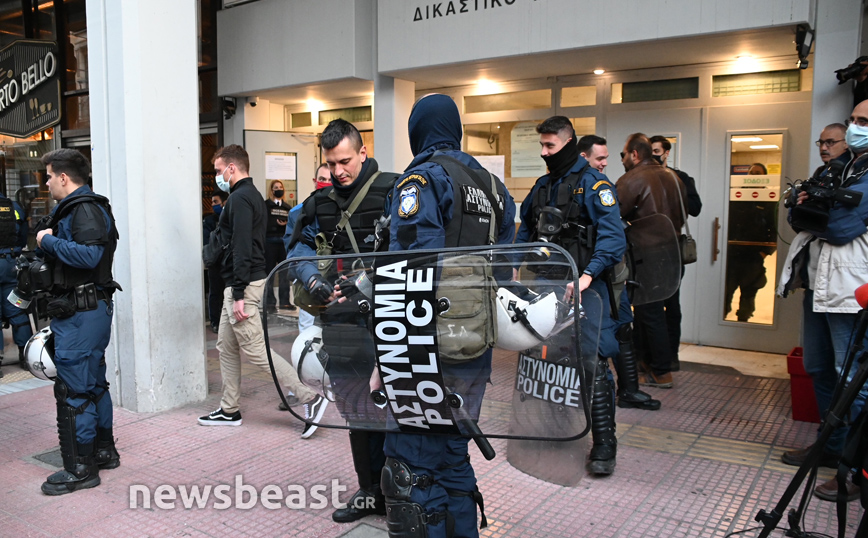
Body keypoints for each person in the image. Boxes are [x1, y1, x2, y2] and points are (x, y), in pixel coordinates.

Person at [379, 93, 515, 538]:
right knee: (453, 456)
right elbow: (503, 269)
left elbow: (410, 273)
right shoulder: (494, 188)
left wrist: (389, 359)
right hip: (475, 347)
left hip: (423, 350)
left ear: (418, 130)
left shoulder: (422, 180)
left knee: (410, 470)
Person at [517, 117, 659, 478]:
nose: (544, 153)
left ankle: (604, 445)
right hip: (547, 289)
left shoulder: (594, 185)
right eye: (542, 146)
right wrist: (514, 266)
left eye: (550, 146)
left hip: (587, 290)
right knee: (548, 361)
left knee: (592, 366)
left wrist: (587, 275)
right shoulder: (543, 186)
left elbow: (613, 239)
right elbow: (526, 229)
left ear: (568, 143)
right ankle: (557, 433)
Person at [285, 119, 398, 522]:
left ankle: (399, 495)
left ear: (362, 153)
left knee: (397, 409)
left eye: (345, 161)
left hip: (393, 320)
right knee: (355, 409)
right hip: (344, 323)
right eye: (331, 164)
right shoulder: (320, 202)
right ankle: (370, 493)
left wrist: (369, 280)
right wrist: (312, 279)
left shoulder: (395, 190)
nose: (338, 172)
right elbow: (295, 247)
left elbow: (415, 248)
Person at [198, 144, 328, 438]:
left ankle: (308, 396)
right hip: (240, 284)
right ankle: (229, 409)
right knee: (225, 347)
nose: (217, 176)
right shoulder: (253, 196)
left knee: (256, 350)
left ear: (232, 168)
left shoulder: (241, 199)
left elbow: (243, 247)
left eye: (219, 170)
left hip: (242, 286)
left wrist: (240, 293)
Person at [778, 104, 868, 503]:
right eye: (853, 120)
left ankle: (853, 468)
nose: (854, 128)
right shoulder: (841, 169)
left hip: (852, 291)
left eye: (863, 122)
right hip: (820, 284)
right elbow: (799, 214)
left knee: (851, 379)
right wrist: (811, 205)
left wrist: (814, 208)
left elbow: (840, 228)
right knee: (818, 367)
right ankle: (829, 449)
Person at [33, 149, 120, 495]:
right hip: (86, 310)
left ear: (64, 177)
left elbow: (89, 256)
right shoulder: (85, 207)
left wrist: (47, 240)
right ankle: (103, 451)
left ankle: (81, 467)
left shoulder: (83, 208)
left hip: (82, 313)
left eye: (49, 176)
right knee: (93, 382)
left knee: (74, 389)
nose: (47, 182)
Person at [616, 133, 687, 389]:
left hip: (648, 256)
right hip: (674, 254)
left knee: (650, 313)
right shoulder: (674, 177)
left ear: (635, 154)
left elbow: (612, 216)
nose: (622, 159)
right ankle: (650, 364)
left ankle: (660, 371)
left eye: (623, 154)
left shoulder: (632, 179)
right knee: (665, 312)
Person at [650, 135, 702, 370]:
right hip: (648, 249)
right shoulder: (642, 179)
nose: (654, 155)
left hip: (672, 248)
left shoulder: (680, 177)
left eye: (658, 151)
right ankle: (653, 356)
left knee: (672, 304)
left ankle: (671, 356)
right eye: (650, 151)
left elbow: (696, 208)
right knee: (649, 305)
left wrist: (675, 186)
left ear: (667, 153)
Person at [0, 188, 32, 377]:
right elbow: (23, 236)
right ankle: (26, 356)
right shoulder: (14, 207)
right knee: (16, 308)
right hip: (11, 264)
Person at [265, 180, 292, 312]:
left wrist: (285, 225)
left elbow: (292, 224)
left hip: (283, 243)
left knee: (285, 274)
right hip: (269, 242)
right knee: (269, 274)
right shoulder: (266, 206)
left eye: (281, 187)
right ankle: (270, 303)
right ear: (271, 190)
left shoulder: (287, 208)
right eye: (276, 187)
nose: (279, 189)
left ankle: (285, 302)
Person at [203, 191, 227, 334]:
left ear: (224, 203)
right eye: (212, 202)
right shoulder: (210, 221)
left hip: (227, 262)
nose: (213, 205)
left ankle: (225, 323)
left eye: (216, 202)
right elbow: (208, 241)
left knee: (227, 294)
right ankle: (215, 321)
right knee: (215, 293)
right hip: (215, 262)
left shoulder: (229, 218)